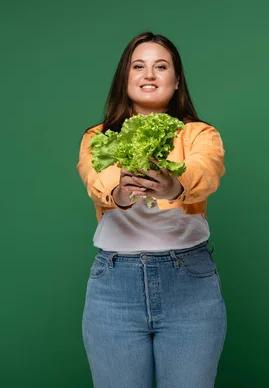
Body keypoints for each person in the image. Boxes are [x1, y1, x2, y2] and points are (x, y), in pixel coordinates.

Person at [76, 31, 227, 388]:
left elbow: (206, 170)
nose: (149, 75)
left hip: (189, 283)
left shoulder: (200, 135)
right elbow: (99, 183)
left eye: (161, 66)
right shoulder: (96, 138)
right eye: (138, 66)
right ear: (124, 78)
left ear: (176, 81)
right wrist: (123, 192)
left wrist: (175, 186)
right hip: (114, 287)